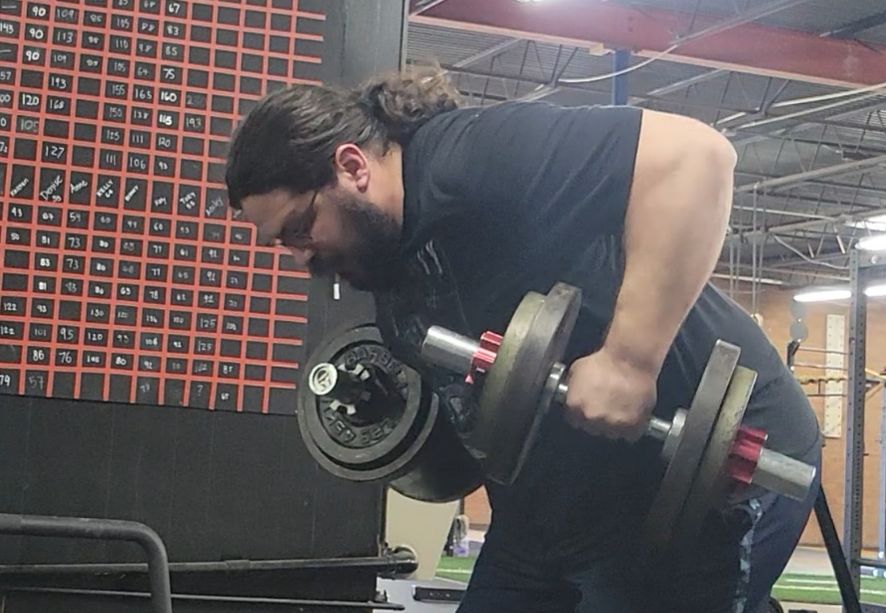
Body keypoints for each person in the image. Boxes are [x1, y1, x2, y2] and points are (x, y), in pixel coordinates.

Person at [225, 68, 822, 613]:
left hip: (717, 466)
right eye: (285, 243)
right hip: (549, 509)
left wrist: (628, 361)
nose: (300, 255)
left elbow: (697, 157)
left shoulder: (467, 156)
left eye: (301, 228)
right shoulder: (384, 264)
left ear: (353, 167)